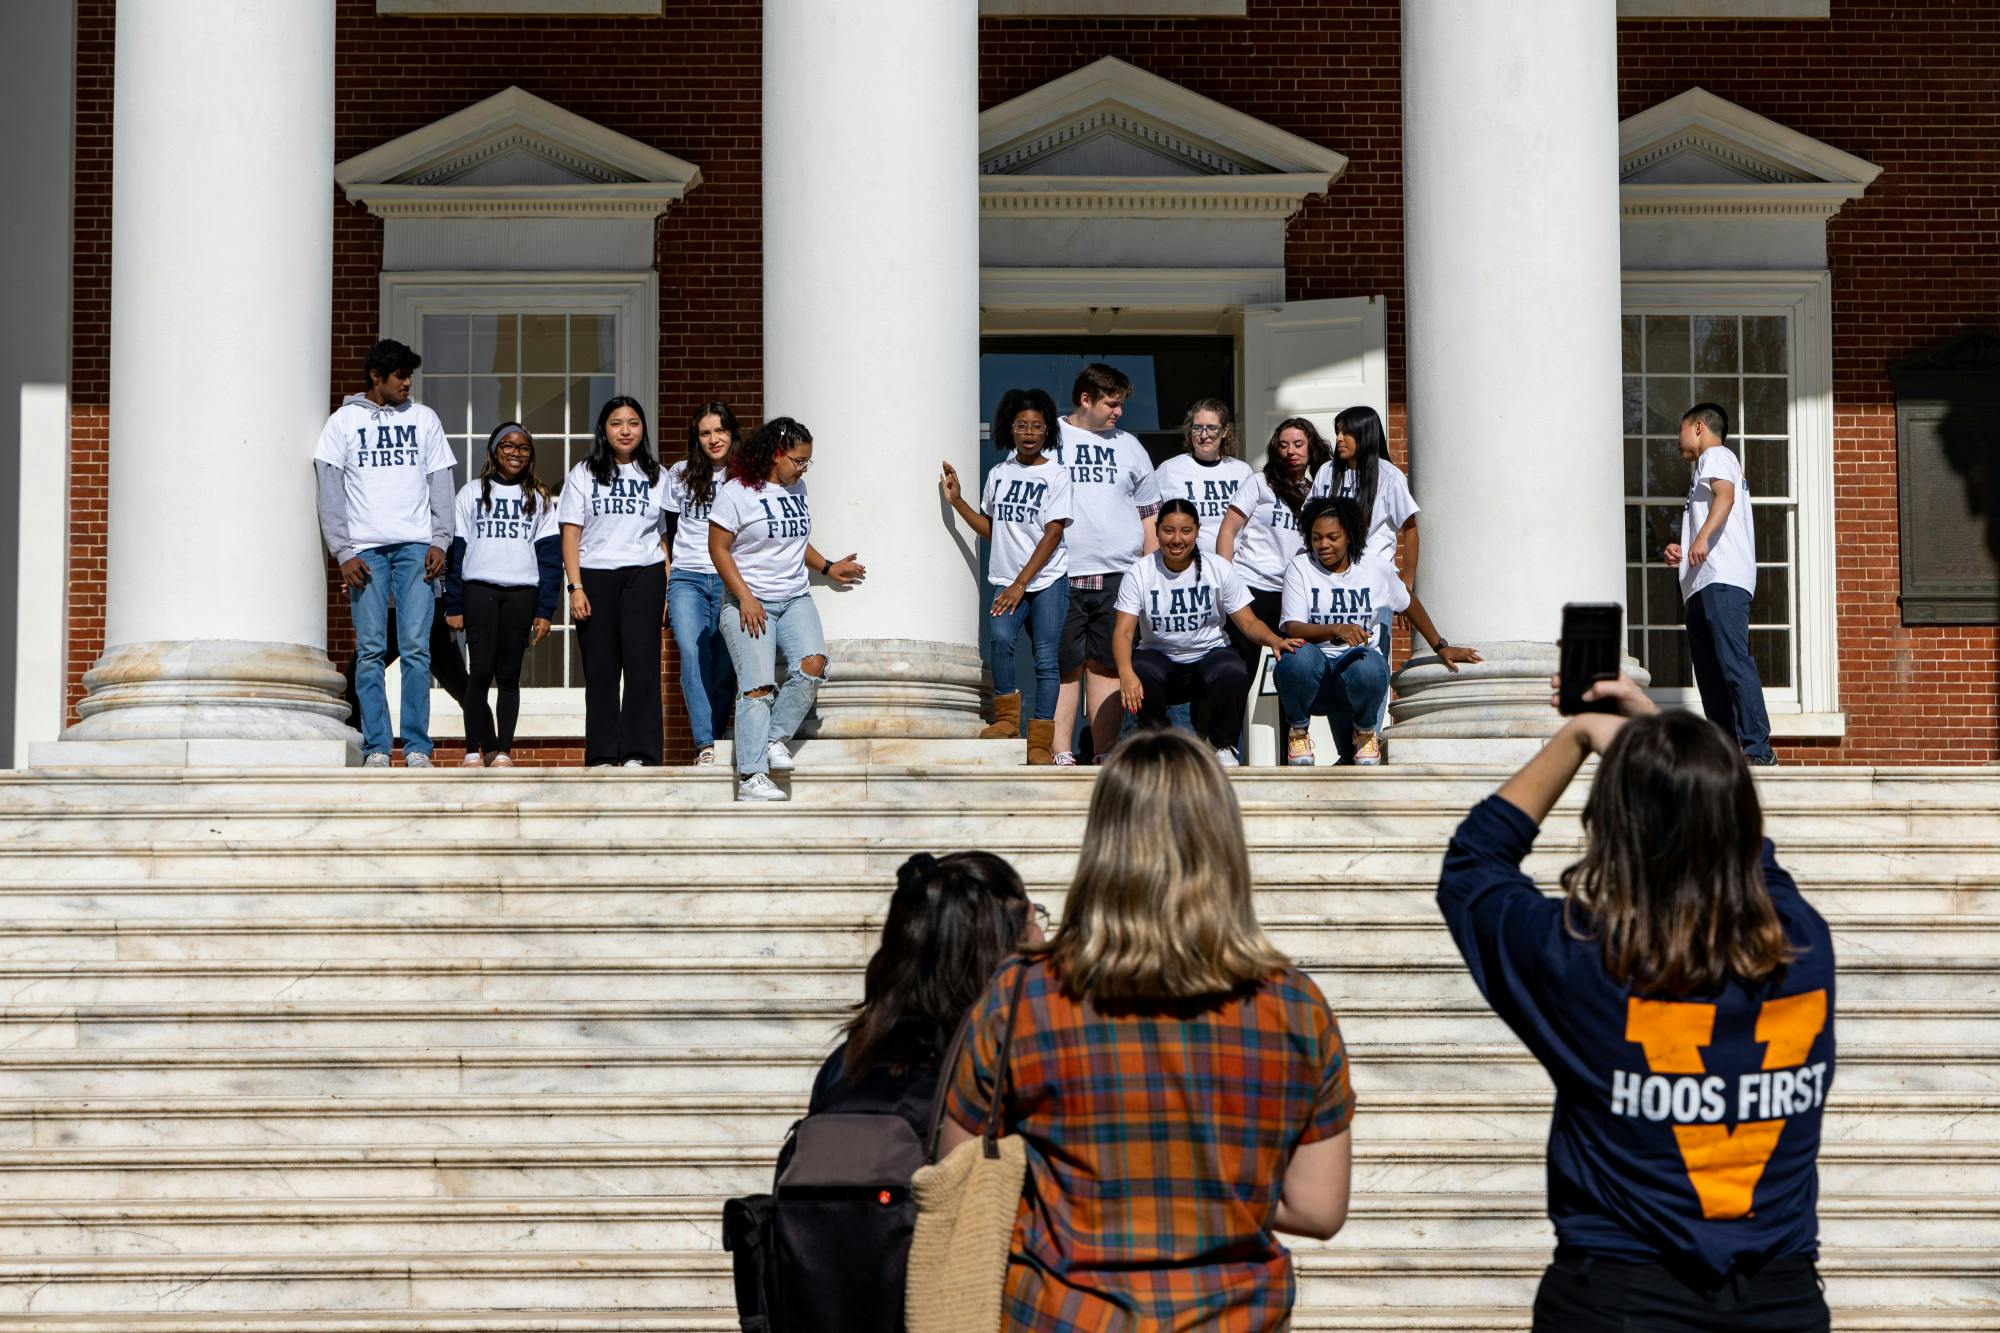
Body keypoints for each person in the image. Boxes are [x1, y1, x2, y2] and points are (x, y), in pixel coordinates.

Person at [1439, 674, 1833, 1329]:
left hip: (1618, 1295)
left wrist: (1580, 734)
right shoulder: (1802, 948)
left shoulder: (1585, 960)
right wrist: (1664, 736)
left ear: (1612, 829)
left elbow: (1473, 867)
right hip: (1781, 1298)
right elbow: (1744, 848)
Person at [941, 729, 1356, 1330]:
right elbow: (1318, 1209)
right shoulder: (1294, 1006)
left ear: (1103, 841)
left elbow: (959, 1174)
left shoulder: (1024, 995)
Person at [314, 338, 456, 769]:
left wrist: (440, 540)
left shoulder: (424, 419)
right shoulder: (342, 423)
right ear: (376, 377)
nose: (407, 383)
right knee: (371, 651)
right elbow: (329, 490)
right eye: (400, 376)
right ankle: (377, 746)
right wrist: (342, 552)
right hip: (365, 552)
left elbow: (441, 481)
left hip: (417, 548)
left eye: (410, 375)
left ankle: (416, 747)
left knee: (416, 650)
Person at [709, 417, 865, 802]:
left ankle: (775, 737)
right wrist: (744, 597)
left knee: (813, 665)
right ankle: (751, 776)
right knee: (757, 686)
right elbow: (718, 549)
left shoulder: (798, 488)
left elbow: (795, 541)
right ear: (776, 454)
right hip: (751, 602)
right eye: (798, 460)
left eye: (806, 462)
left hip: (795, 597)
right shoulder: (737, 493)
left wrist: (828, 566)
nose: (803, 468)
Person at [1279, 497, 1479, 766]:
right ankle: (1299, 733)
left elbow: (1408, 603)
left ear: (1349, 535)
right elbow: (1293, 626)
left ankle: (1364, 734)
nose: (1323, 545)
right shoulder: (1301, 567)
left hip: (1355, 676)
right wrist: (1336, 629)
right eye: (1316, 538)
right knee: (1296, 657)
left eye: (1332, 537)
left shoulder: (1374, 568)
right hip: (1317, 678)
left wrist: (1440, 646)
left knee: (1370, 664)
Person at [1112, 498, 1304, 767]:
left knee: (1233, 668)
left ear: (1198, 531)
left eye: (1185, 531)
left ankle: (1220, 744)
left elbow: (1248, 622)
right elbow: (1123, 631)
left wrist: (1274, 639)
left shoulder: (1218, 568)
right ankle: (1160, 746)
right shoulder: (1140, 573)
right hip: (1160, 660)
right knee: (1140, 667)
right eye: (1168, 531)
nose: (1177, 539)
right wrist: (1125, 672)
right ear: (1156, 531)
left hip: (1208, 657)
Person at [941, 388, 1072, 764]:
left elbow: (1053, 532)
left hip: (1046, 580)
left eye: (1037, 426)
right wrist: (958, 502)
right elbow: (994, 529)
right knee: (1000, 641)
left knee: (1046, 659)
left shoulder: (1057, 475)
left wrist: (1021, 583)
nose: (1029, 432)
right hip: (1007, 578)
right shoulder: (999, 474)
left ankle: (1040, 743)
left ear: (1047, 431)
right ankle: (1007, 722)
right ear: (1010, 430)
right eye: (1021, 426)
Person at [1047, 363, 1161, 767]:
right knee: (1063, 666)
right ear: (1085, 399)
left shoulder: (1130, 446)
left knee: (1107, 665)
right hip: (1060, 572)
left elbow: (1149, 515)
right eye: (1111, 404)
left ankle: (1103, 752)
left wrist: (1150, 574)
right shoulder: (1049, 438)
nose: (1119, 412)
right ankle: (1060, 750)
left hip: (1119, 575)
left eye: (1121, 404)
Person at [559, 396, 670, 768]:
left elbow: (664, 537)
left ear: (643, 429)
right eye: (616, 423)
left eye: (634, 422)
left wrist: (667, 587)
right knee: (601, 670)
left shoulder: (658, 475)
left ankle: (641, 753)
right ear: (603, 431)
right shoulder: (584, 473)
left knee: (642, 668)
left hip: (645, 574)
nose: (625, 430)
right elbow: (571, 534)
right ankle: (603, 754)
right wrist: (575, 587)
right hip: (595, 577)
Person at [443, 422, 560, 768]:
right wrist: (454, 603)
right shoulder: (470, 493)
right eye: (508, 445)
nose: (515, 452)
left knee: (509, 674)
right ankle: (472, 750)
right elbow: (456, 552)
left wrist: (545, 610)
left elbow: (551, 558)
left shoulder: (538, 498)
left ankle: (503, 751)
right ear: (494, 451)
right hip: (479, 590)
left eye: (523, 447)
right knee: (479, 673)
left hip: (522, 593)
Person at [1666, 403, 1775, 765]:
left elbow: (1725, 497)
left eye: (1680, 429)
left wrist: (1701, 541)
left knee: (1732, 663)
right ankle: (1727, 754)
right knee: (1711, 676)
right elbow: (1716, 511)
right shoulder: (1704, 469)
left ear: (1698, 427)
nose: (1677, 439)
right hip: (1700, 584)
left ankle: (1759, 751)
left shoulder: (1716, 455)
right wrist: (1684, 548)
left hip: (1723, 579)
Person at [665, 401, 741, 766]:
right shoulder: (679, 473)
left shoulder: (746, 476)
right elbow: (665, 531)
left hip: (730, 579)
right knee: (693, 656)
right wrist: (668, 579)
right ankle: (705, 744)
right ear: (696, 438)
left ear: (732, 432)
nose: (714, 439)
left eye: (720, 430)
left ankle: (718, 729)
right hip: (687, 578)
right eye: (706, 432)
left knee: (725, 664)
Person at [1218, 417, 1331, 652]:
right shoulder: (1260, 483)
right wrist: (1226, 581)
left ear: (1311, 447)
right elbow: (1227, 531)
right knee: (1240, 668)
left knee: (1295, 664)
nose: (1291, 451)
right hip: (1250, 585)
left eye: (1298, 444)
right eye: (1283, 445)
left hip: (1292, 591)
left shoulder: (1317, 492)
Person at [1308, 405, 1421, 586]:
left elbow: (1410, 530)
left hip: (1375, 582)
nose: (1339, 438)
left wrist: (1406, 585)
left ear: (1365, 434)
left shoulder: (1389, 476)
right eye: (1338, 432)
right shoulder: (1326, 471)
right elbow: (1310, 520)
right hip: (1327, 579)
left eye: (1346, 432)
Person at [1154, 398, 1253, 556]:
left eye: (1212, 428)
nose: (1203, 435)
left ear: (1225, 431)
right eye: (1197, 428)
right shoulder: (1169, 470)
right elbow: (1152, 520)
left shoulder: (1242, 471)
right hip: (1185, 565)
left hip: (1233, 566)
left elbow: (1252, 525)